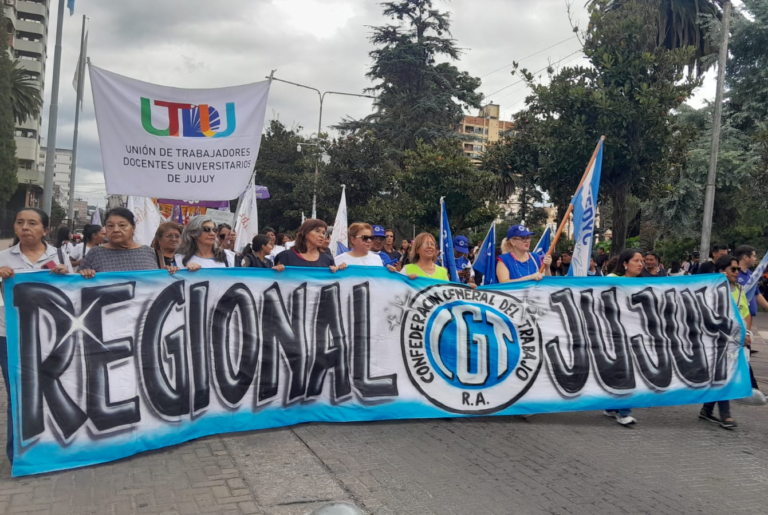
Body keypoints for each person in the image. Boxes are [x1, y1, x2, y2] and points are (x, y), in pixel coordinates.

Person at [0, 208, 73, 462]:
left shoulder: (59, 256)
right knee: (19, 393)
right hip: (11, 337)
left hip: (51, 336)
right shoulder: (3, 258)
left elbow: (74, 295)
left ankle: (55, 446)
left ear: (45, 229)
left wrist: (66, 276)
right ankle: (19, 454)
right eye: (20, 222)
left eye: (32, 223)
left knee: (57, 389)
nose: (25, 227)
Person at [699, 255, 745, 429]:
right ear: (721, 271)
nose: (736, 272)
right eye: (733, 269)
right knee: (722, 375)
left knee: (723, 376)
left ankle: (707, 409)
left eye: (738, 269)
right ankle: (725, 415)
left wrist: (746, 332)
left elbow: (745, 313)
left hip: (734, 341)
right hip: (714, 340)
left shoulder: (739, 290)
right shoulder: (711, 290)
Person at [603, 249, 645, 426]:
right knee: (627, 371)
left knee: (622, 371)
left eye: (642, 261)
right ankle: (624, 412)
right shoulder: (611, 279)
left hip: (631, 334)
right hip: (613, 333)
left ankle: (612, 407)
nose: (640, 264)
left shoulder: (640, 284)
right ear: (625, 263)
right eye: (636, 260)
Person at [79, 208, 166, 277]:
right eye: (110, 226)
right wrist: (85, 274)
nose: (116, 230)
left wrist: (171, 272)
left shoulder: (148, 252)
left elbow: (159, 281)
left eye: (122, 225)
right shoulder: (95, 253)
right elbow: (74, 284)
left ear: (133, 228)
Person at [274, 219, 346, 272]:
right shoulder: (286, 256)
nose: (322, 236)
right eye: (317, 231)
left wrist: (339, 270)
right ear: (305, 233)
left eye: (323, 233)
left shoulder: (327, 259)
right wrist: (276, 271)